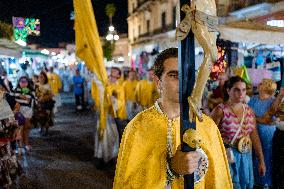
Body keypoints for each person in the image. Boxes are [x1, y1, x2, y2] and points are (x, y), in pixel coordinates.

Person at [113, 48, 232, 188]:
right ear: (158, 81)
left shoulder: (208, 126)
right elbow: (127, 184)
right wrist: (170, 169)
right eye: (174, 75)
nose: (183, 82)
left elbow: (219, 181)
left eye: (188, 75)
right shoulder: (138, 127)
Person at [211, 76, 266, 189]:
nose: (241, 93)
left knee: (245, 184)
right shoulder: (220, 110)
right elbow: (210, 136)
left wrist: (261, 161)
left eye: (244, 90)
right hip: (227, 155)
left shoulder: (249, 111)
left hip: (246, 155)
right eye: (236, 89)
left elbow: (254, 136)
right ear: (228, 90)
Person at [248, 79, 277, 188]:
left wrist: (255, 119)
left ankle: (265, 182)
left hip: (267, 134)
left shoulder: (273, 101)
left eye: (261, 83)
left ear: (266, 88)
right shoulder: (254, 98)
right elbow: (247, 113)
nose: (258, 84)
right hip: (253, 131)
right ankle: (255, 180)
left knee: (267, 156)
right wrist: (260, 119)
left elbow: (270, 120)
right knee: (254, 155)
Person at [35, 71, 54, 136]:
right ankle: (41, 127)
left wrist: (45, 97)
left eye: (42, 77)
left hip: (47, 104)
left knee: (47, 117)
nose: (41, 78)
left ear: (45, 78)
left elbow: (52, 94)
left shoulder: (48, 85)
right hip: (39, 104)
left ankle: (46, 130)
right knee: (40, 117)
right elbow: (34, 94)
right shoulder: (36, 85)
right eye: (40, 77)